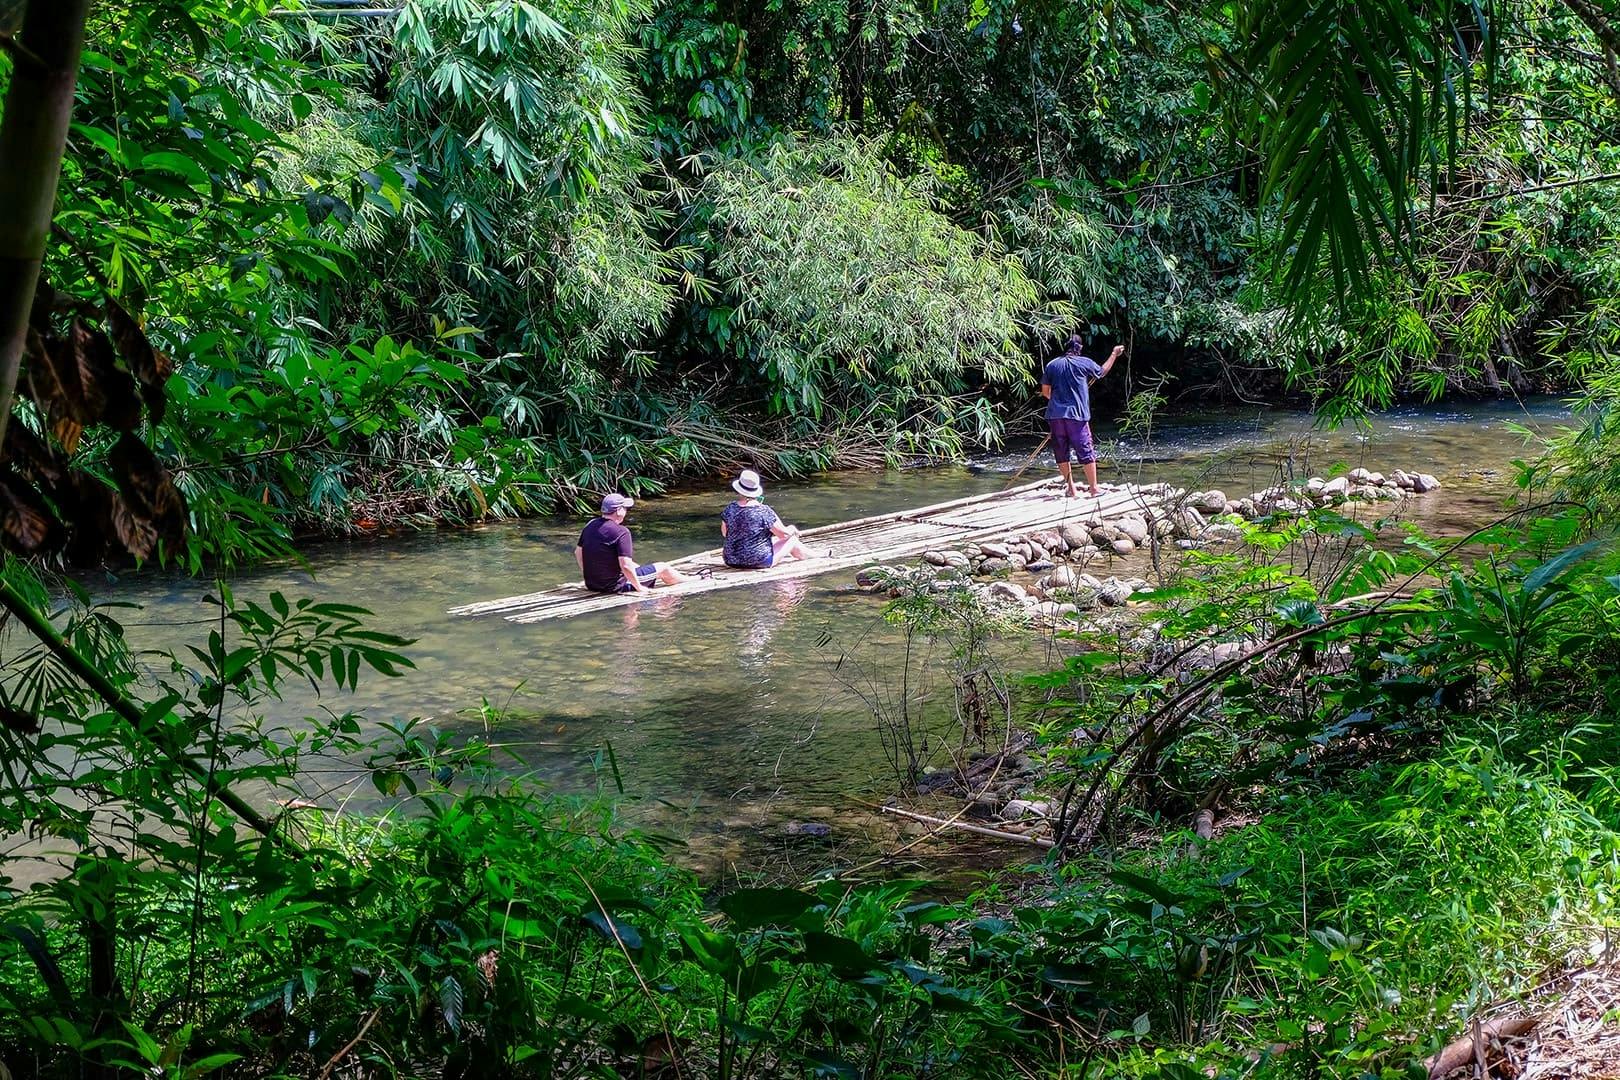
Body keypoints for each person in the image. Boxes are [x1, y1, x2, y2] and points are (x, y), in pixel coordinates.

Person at [1042, 335, 1124, 498]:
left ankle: (1071, 490)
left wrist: (1059, 403)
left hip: (1055, 415)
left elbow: (1045, 392)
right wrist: (1114, 354)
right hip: (1077, 416)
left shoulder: (1052, 365)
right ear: (1079, 348)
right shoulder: (1084, 362)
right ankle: (1094, 489)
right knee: (1085, 450)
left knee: (1061, 452)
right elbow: (1101, 371)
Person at [575, 493, 689, 594]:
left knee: (637, 566)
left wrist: (589, 576)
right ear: (619, 511)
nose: (626, 511)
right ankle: (695, 579)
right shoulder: (621, 532)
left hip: (592, 584)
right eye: (624, 508)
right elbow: (625, 565)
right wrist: (639, 588)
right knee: (664, 568)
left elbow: (578, 552)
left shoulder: (590, 525)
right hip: (615, 587)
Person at [719, 470, 817, 568]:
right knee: (792, 539)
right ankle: (817, 557)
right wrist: (793, 530)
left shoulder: (730, 508)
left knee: (774, 540)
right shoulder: (764, 511)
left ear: (739, 490)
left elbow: (724, 533)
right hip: (758, 561)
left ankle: (812, 555)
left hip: (730, 560)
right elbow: (783, 535)